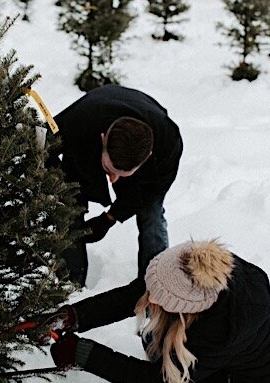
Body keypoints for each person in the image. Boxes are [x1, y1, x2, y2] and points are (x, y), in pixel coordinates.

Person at [35, 239, 270, 383]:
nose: (148, 296)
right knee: (152, 337)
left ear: (183, 309)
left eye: (158, 295)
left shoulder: (221, 332)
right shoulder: (195, 270)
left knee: (167, 363)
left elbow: (161, 382)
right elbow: (134, 294)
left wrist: (83, 354)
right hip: (250, 353)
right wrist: (72, 316)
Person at [51, 85, 182, 286]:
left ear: (146, 157)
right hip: (85, 149)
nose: (112, 179)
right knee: (69, 212)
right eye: (108, 169)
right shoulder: (79, 120)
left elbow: (151, 192)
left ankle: (155, 289)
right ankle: (69, 286)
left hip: (148, 149)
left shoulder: (168, 143)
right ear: (103, 138)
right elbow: (40, 142)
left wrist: (110, 217)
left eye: (122, 174)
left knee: (151, 216)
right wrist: (58, 181)